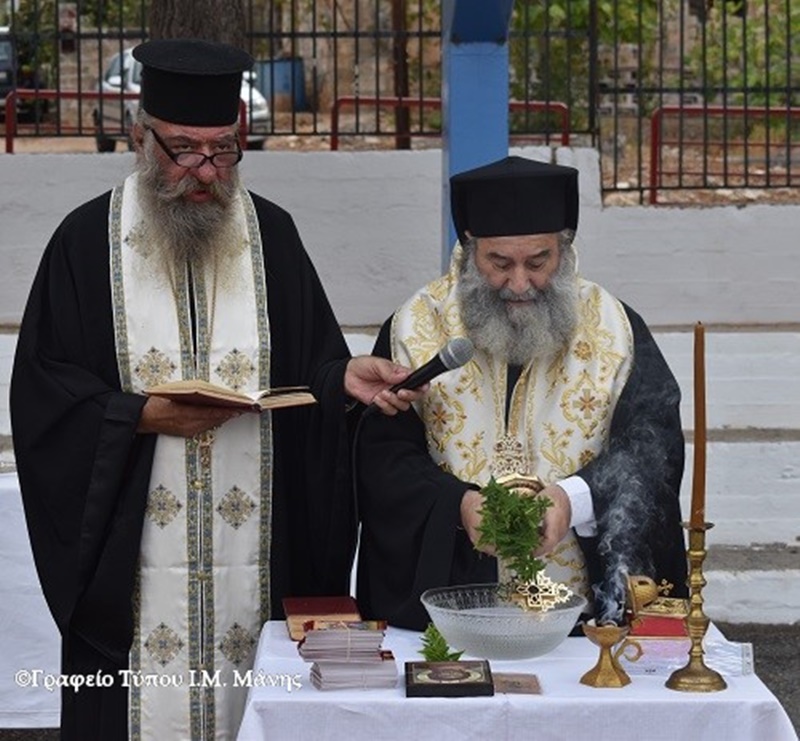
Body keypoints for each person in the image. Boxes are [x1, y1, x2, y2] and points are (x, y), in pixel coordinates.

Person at [10, 38, 421, 741]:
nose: (204, 171)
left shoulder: (273, 237)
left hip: (255, 564)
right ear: (141, 137)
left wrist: (341, 376)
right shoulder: (85, 243)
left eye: (223, 150)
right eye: (184, 150)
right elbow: (47, 394)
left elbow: (309, 365)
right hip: (134, 574)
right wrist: (139, 415)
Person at [356, 156, 688, 631]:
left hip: (582, 620)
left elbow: (653, 445)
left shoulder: (615, 328)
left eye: (538, 262)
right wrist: (458, 505)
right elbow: (383, 458)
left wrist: (574, 498)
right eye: (498, 263)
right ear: (470, 249)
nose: (519, 284)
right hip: (451, 610)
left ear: (564, 250)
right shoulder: (416, 325)